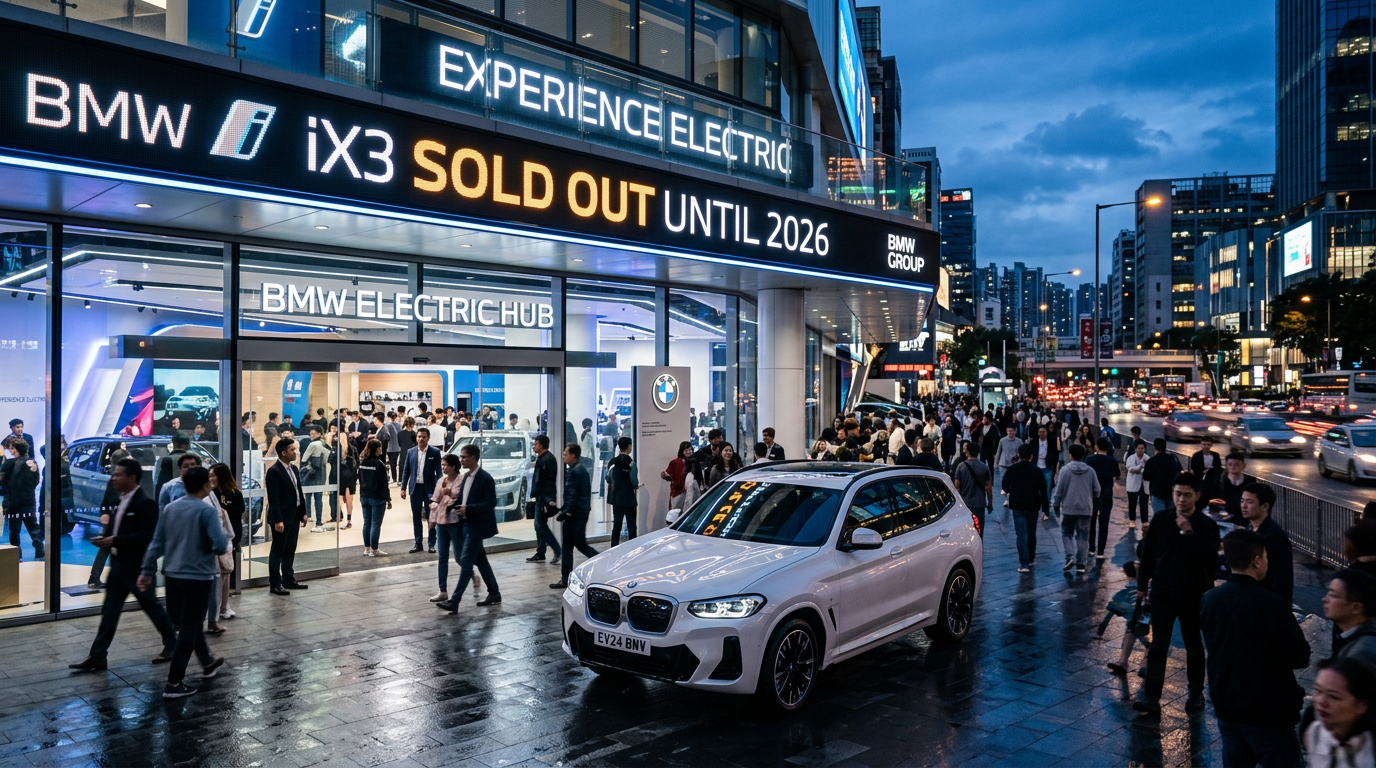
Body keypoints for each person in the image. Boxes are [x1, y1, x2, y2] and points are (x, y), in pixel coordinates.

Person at [1199, 529, 1310, 767]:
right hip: (1266, 708)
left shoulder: (1210, 599)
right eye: (1266, 557)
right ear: (1257, 560)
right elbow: (1299, 656)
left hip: (1226, 702)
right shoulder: (1271, 604)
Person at [68, 458, 178, 672]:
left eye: (118, 475)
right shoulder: (122, 500)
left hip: (137, 567)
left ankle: (172, 644)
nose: (113, 478)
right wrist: (106, 539)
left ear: (132, 478)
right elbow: (119, 529)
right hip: (119, 566)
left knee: (151, 606)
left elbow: (147, 536)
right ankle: (98, 655)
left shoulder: (145, 504)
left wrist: (115, 540)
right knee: (110, 611)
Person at [136, 466, 227, 699]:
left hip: (173, 575)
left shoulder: (170, 508)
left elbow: (157, 542)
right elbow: (220, 544)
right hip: (198, 576)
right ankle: (174, 682)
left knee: (189, 622)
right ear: (206, 485)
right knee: (189, 627)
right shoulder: (206, 511)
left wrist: (146, 569)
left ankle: (207, 661)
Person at [1134, 471, 1221, 716]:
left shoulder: (1206, 526)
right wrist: (1142, 586)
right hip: (1163, 591)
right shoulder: (1162, 519)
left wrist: (1188, 533)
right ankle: (1152, 697)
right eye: (1177, 494)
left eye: (1187, 495)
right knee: (1158, 645)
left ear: (1197, 496)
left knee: (1194, 645)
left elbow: (1208, 561)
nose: (1181, 499)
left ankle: (1195, 693)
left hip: (1194, 595)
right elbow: (1148, 554)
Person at [435, 444, 500, 613]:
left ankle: (455, 600)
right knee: (482, 561)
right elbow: (463, 500)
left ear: (473, 458)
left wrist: (468, 509)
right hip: (466, 524)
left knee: (466, 562)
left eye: (464, 457)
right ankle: (494, 593)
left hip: (477, 526)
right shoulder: (466, 477)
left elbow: (490, 503)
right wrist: (453, 505)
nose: (461, 460)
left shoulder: (485, 478)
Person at [1305, 658, 1376, 768]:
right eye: (1318, 690)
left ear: (1361, 706)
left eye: (1333, 697)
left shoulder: (1369, 751)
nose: (1321, 701)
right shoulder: (1314, 733)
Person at [264, 437, 308, 596]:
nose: (295, 452)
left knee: (290, 548)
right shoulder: (274, 471)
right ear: (283, 453)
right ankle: (275, 584)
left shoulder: (294, 469)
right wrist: (278, 520)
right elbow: (273, 498)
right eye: (292, 450)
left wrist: (303, 512)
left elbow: (298, 492)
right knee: (278, 550)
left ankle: (288, 579)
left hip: (294, 515)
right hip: (281, 518)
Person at [1238, 482, 1294, 605]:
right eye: (1242, 501)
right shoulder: (1249, 527)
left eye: (1250, 502)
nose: (1244, 506)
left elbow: (1282, 579)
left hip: (1266, 601)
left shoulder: (1275, 536)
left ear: (1265, 506)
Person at [551, 443, 597, 590]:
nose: (563, 456)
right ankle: (601, 561)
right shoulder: (580, 470)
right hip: (581, 512)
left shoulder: (575, 472)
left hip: (574, 514)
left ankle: (565, 578)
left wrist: (565, 512)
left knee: (567, 546)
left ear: (573, 455)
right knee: (581, 544)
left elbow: (572, 494)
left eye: (566, 453)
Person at [1052, 443, 1100, 574]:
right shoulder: (1090, 471)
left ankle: (1070, 557)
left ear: (1071, 455)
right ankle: (1081, 564)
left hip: (1069, 508)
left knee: (1067, 533)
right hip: (1085, 508)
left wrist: (1056, 504)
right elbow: (1097, 490)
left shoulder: (1065, 470)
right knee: (1083, 536)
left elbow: (1059, 490)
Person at [1004, 444, 1050, 573]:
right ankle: (1031, 558)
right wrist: (1046, 510)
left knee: (1020, 534)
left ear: (1019, 454)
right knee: (1031, 532)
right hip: (1032, 505)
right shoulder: (1037, 471)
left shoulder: (1012, 469)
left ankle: (1023, 563)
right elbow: (1043, 491)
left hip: (1017, 505)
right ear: (1031, 456)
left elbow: (1004, 485)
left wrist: (1012, 490)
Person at [428, 453, 466, 605]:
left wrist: (450, 494)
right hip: (441, 521)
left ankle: (471, 574)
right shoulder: (441, 481)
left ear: (454, 466)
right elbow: (436, 499)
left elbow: (461, 498)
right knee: (442, 557)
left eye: (446, 465)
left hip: (455, 522)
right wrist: (433, 505)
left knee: (459, 556)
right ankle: (442, 590)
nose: (443, 468)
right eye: (442, 465)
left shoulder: (461, 480)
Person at [208, 463, 243, 623]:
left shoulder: (235, 494)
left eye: (213, 475)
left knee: (225, 572)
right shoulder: (209, 493)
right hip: (215, 538)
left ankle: (224, 606)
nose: (210, 479)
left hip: (228, 537)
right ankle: (217, 608)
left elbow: (237, 515)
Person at [400, 427, 442, 554]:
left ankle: (431, 544)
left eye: (423, 437)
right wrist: (403, 488)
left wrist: (439, 489)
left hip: (429, 489)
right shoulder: (411, 452)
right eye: (419, 436)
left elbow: (439, 472)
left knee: (431, 517)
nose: (421, 439)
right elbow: (406, 471)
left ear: (428, 438)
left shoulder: (434, 452)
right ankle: (418, 543)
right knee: (416, 516)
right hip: (415, 488)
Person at [0, 438, 42, 559]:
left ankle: (16, 555)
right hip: (29, 499)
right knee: (33, 526)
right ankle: (39, 549)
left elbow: (4, 482)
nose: (10, 451)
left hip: (13, 501)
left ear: (15, 449)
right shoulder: (32, 462)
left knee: (14, 530)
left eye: (11, 448)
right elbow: (36, 481)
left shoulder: (9, 464)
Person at [1326, 570, 1376, 666]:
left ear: (1356, 607)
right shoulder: (1355, 639)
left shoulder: (1360, 653)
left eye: (1333, 595)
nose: (1325, 599)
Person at [526, 435, 561, 564]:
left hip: (544, 497)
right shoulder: (542, 458)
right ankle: (541, 552)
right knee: (539, 525)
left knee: (540, 525)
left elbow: (548, 481)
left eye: (536, 444)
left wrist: (548, 499)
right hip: (540, 496)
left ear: (541, 445)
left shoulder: (548, 459)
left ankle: (556, 549)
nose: (534, 446)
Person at [1085, 437, 1121, 563]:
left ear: (1096, 446)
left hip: (1092, 493)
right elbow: (1117, 474)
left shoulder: (1089, 459)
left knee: (1091, 521)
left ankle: (1091, 548)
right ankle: (1100, 552)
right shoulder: (1112, 461)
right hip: (1106, 492)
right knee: (1104, 523)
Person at [357, 438, 391, 557]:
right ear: (376, 449)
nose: (381, 449)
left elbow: (359, 479)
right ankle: (374, 549)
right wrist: (388, 498)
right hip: (377, 497)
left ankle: (367, 548)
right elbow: (384, 483)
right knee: (376, 524)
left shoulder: (363, 463)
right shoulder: (379, 464)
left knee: (367, 523)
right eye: (380, 447)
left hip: (364, 496)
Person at [606, 436, 640, 547]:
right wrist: (636, 485)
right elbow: (634, 482)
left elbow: (608, 478)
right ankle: (632, 549)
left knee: (616, 526)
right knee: (631, 526)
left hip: (616, 499)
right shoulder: (631, 463)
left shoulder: (612, 462)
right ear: (629, 446)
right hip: (629, 498)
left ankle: (613, 548)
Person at [952, 440, 992, 536]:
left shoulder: (961, 466)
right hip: (979, 503)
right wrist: (990, 503)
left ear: (967, 452)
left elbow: (956, 487)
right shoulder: (984, 467)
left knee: (965, 531)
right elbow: (988, 488)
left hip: (965, 503)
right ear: (978, 452)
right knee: (979, 531)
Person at [1206, 452, 1257, 523]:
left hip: (1245, 517)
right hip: (1225, 517)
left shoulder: (1251, 481)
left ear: (1243, 466)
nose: (1233, 467)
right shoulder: (1219, 481)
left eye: (1236, 464)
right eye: (1230, 464)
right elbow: (1213, 499)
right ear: (1226, 466)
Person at [1142, 438, 1181, 514]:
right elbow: (1179, 473)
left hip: (1157, 493)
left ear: (1155, 447)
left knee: (1160, 517)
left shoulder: (1151, 461)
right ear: (1165, 447)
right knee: (1171, 517)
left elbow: (1146, 477)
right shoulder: (1172, 459)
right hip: (1171, 493)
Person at [155, 432, 192, 501]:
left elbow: (159, 484)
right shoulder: (195, 459)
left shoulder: (166, 460)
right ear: (186, 445)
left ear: (174, 443)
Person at [661, 441, 692, 519]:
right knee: (675, 515)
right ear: (682, 451)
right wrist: (664, 476)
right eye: (686, 450)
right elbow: (669, 476)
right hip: (677, 492)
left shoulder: (694, 462)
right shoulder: (675, 462)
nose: (689, 452)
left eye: (690, 449)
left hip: (690, 492)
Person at [1124, 440, 1148, 531]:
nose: (1140, 450)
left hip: (1144, 484)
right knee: (1132, 503)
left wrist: (1138, 469)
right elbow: (1130, 469)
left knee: (1144, 504)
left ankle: (1144, 521)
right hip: (1132, 484)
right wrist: (1140, 468)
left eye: (1142, 448)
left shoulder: (1147, 458)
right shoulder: (1131, 458)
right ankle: (1132, 520)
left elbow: (1147, 470)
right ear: (1135, 449)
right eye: (1139, 448)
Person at [336, 442, 357, 531]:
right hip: (350, 476)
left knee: (341, 497)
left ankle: (342, 516)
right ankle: (349, 519)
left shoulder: (336, 449)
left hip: (340, 476)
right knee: (348, 498)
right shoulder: (352, 449)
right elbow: (357, 464)